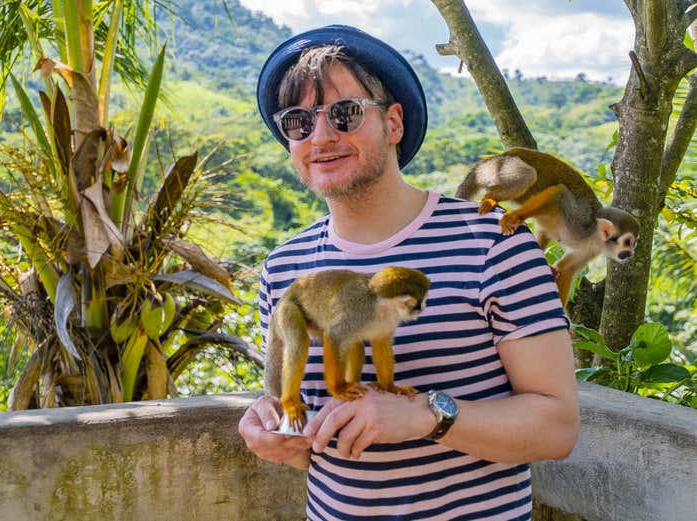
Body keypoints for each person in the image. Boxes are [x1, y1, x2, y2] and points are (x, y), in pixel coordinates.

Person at [238, 24, 579, 521]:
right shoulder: (283, 268)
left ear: (393, 123)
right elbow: (305, 428)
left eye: (345, 113)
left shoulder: (492, 243)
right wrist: (270, 431)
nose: (322, 136)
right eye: (298, 122)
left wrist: (424, 415)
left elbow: (557, 428)